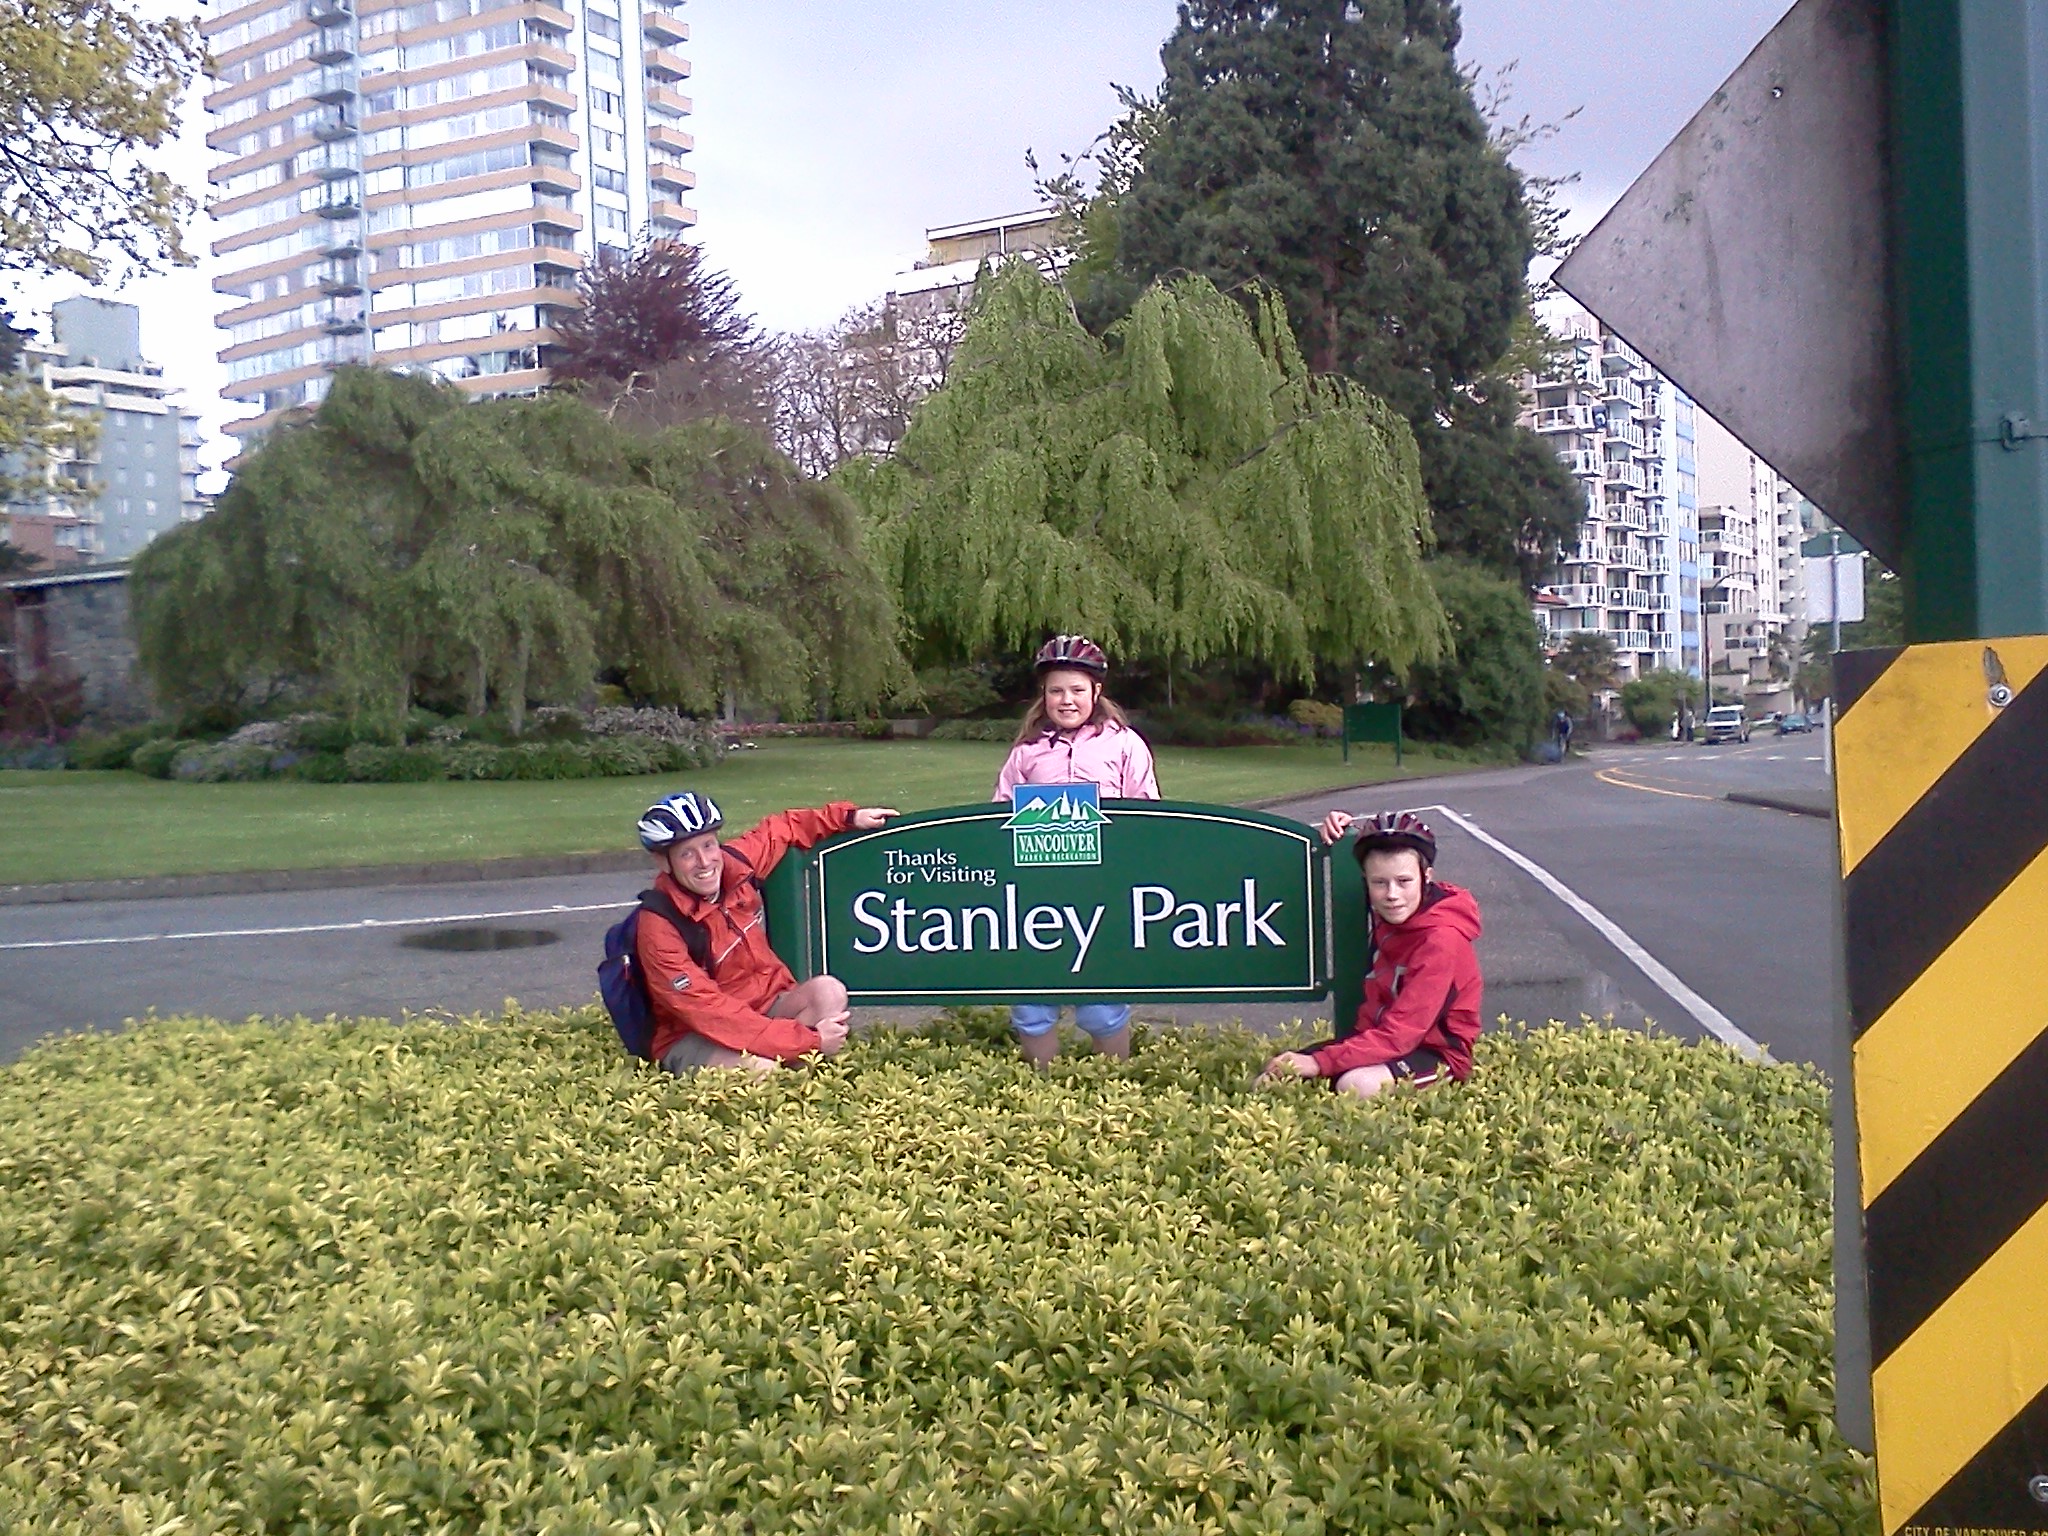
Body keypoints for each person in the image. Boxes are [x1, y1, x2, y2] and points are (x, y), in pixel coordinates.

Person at [635, 789, 898, 1077]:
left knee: (829, 992)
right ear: (664, 862)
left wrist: (848, 817)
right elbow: (711, 1014)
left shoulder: (736, 866)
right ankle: (789, 1073)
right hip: (695, 1033)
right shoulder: (659, 926)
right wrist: (810, 1040)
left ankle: (799, 1076)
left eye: (709, 845)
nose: (705, 861)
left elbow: (782, 828)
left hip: (764, 1007)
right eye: (687, 853)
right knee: (762, 1070)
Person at [992, 633, 1161, 1064]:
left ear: (1096, 692)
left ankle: (1112, 1091)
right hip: (1039, 892)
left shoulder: (1124, 744)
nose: (1067, 700)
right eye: (1056, 691)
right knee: (1032, 1000)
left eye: (1077, 690)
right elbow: (998, 819)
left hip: (1103, 888)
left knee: (1103, 1001)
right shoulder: (1027, 751)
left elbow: (1147, 816)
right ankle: (1043, 1096)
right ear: (1044, 695)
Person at [1259, 810, 1483, 1098]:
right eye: (1379, 883)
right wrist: (1342, 832)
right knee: (1272, 1078)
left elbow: (1403, 1033)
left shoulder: (1442, 940)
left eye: (1404, 881)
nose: (1391, 894)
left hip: (1436, 1054)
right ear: (1366, 880)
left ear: (1426, 877)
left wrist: (1318, 1061)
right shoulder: (1396, 909)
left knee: (1355, 1085)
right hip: (1376, 1041)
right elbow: (1372, 857)